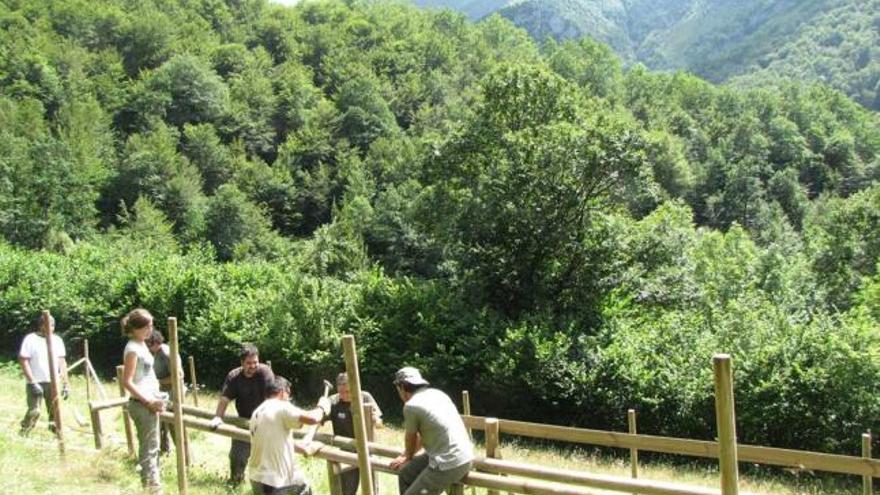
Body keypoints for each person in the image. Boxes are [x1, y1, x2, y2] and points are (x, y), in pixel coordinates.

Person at [389, 367, 473, 495]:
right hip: (464, 455)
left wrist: (407, 456)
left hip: (449, 462)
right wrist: (407, 455)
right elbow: (427, 433)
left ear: (402, 387)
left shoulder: (411, 406)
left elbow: (410, 437)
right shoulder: (438, 394)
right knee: (406, 474)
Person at [249, 375, 330, 495]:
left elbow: (272, 440)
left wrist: (301, 448)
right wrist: (322, 407)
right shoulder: (281, 406)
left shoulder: (258, 411)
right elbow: (313, 418)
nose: (289, 399)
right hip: (274, 481)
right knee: (304, 488)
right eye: (288, 394)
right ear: (282, 392)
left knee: (303, 485)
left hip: (257, 477)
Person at [209, 344, 275, 486]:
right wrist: (218, 417)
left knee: (266, 459)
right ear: (242, 363)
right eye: (249, 363)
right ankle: (235, 482)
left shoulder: (265, 372)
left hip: (265, 420)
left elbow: (272, 399)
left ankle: (267, 488)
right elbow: (224, 399)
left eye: (255, 362)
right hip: (243, 420)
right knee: (237, 456)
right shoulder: (234, 376)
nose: (253, 366)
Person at [120, 308, 167, 493]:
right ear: (135, 328)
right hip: (142, 405)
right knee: (149, 448)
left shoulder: (141, 345)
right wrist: (148, 401)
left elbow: (145, 377)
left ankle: (151, 485)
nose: (150, 330)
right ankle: (152, 488)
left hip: (150, 403)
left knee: (152, 446)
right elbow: (127, 382)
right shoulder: (132, 348)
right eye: (146, 326)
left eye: (151, 325)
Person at [322, 372, 383, 495]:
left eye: (348, 392)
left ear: (355, 387)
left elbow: (380, 424)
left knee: (371, 489)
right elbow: (318, 420)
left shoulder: (365, 397)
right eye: (341, 392)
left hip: (367, 450)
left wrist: (375, 420)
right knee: (347, 490)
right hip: (346, 452)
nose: (344, 395)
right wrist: (320, 409)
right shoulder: (333, 401)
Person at [18, 313, 69, 436]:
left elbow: (62, 363)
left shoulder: (57, 340)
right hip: (35, 382)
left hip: (53, 382)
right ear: (41, 325)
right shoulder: (30, 339)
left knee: (55, 412)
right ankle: (24, 433)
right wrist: (32, 382)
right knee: (35, 411)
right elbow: (23, 361)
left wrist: (66, 384)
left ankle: (57, 436)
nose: (51, 328)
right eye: (48, 325)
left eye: (52, 325)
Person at [146, 329, 186, 455]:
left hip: (174, 393)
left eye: (148, 343)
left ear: (154, 342)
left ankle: (184, 455)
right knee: (161, 423)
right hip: (163, 393)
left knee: (175, 425)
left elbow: (178, 375)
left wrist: (158, 382)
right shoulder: (156, 353)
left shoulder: (166, 353)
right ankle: (164, 450)